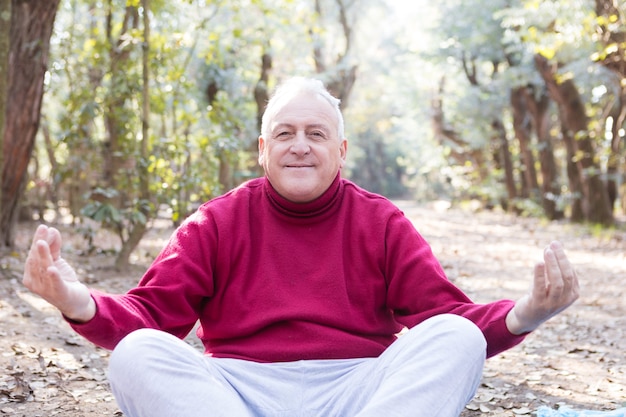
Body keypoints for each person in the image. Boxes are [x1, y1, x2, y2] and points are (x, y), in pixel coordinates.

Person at [23, 77, 579, 417]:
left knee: (454, 338)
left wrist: (526, 314)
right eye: (285, 134)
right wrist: (77, 301)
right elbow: (150, 315)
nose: (300, 147)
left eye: (315, 134)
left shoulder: (380, 221)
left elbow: (449, 315)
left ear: (340, 150)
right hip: (237, 392)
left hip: (358, 391)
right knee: (137, 354)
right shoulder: (217, 221)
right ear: (263, 150)